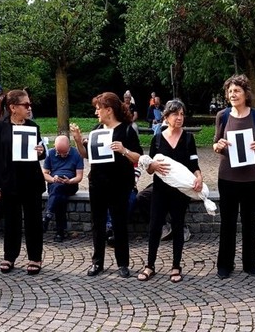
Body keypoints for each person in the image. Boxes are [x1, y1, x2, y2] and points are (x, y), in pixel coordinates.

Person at [139, 99, 202, 283]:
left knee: (177, 226)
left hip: (180, 192)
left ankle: (176, 266)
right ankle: (149, 265)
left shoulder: (188, 139)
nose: (180, 118)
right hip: (160, 190)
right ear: (166, 117)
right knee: (154, 227)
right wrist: (153, 165)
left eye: (182, 114)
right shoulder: (157, 139)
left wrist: (199, 177)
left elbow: (194, 164)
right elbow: (149, 169)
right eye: (175, 114)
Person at [212, 75, 255, 278]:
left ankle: (250, 264)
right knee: (227, 222)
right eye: (230, 91)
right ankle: (224, 265)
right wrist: (218, 146)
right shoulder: (223, 116)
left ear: (245, 94)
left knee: (249, 222)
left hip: (252, 177)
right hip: (227, 177)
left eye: (237, 91)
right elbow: (215, 143)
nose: (233, 94)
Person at [0, 89, 46, 274]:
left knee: (33, 221)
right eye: (25, 105)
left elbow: (39, 153)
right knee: (11, 221)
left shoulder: (33, 126)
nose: (29, 108)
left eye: (29, 104)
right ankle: (9, 256)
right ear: (13, 108)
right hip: (9, 181)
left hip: (31, 180)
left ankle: (35, 257)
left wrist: (40, 152)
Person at [84, 92, 143, 278]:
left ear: (109, 110)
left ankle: (123, 263)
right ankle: (97, 262)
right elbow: (86, 155)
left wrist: (124, 150)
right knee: (97, 224)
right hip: (97, 183)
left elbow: (140, 157)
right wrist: (78, 141)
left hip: (119, 184)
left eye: (98, 108)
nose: (96, 112)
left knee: (119, 223)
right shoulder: (97, 129)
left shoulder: (126, 130)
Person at [42, 134, 84, 243]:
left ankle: (48, 216)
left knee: (58, 190)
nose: (62, 155)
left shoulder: (76, 154)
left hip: (70, 184)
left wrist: (69, 181)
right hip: (54, 183)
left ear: (69, 147)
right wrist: (53, 179)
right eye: (59, 153)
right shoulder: (50, 153)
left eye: (65, 153)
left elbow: (79, 177)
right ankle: (60, 232)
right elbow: (45, 174)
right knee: (60, 195)